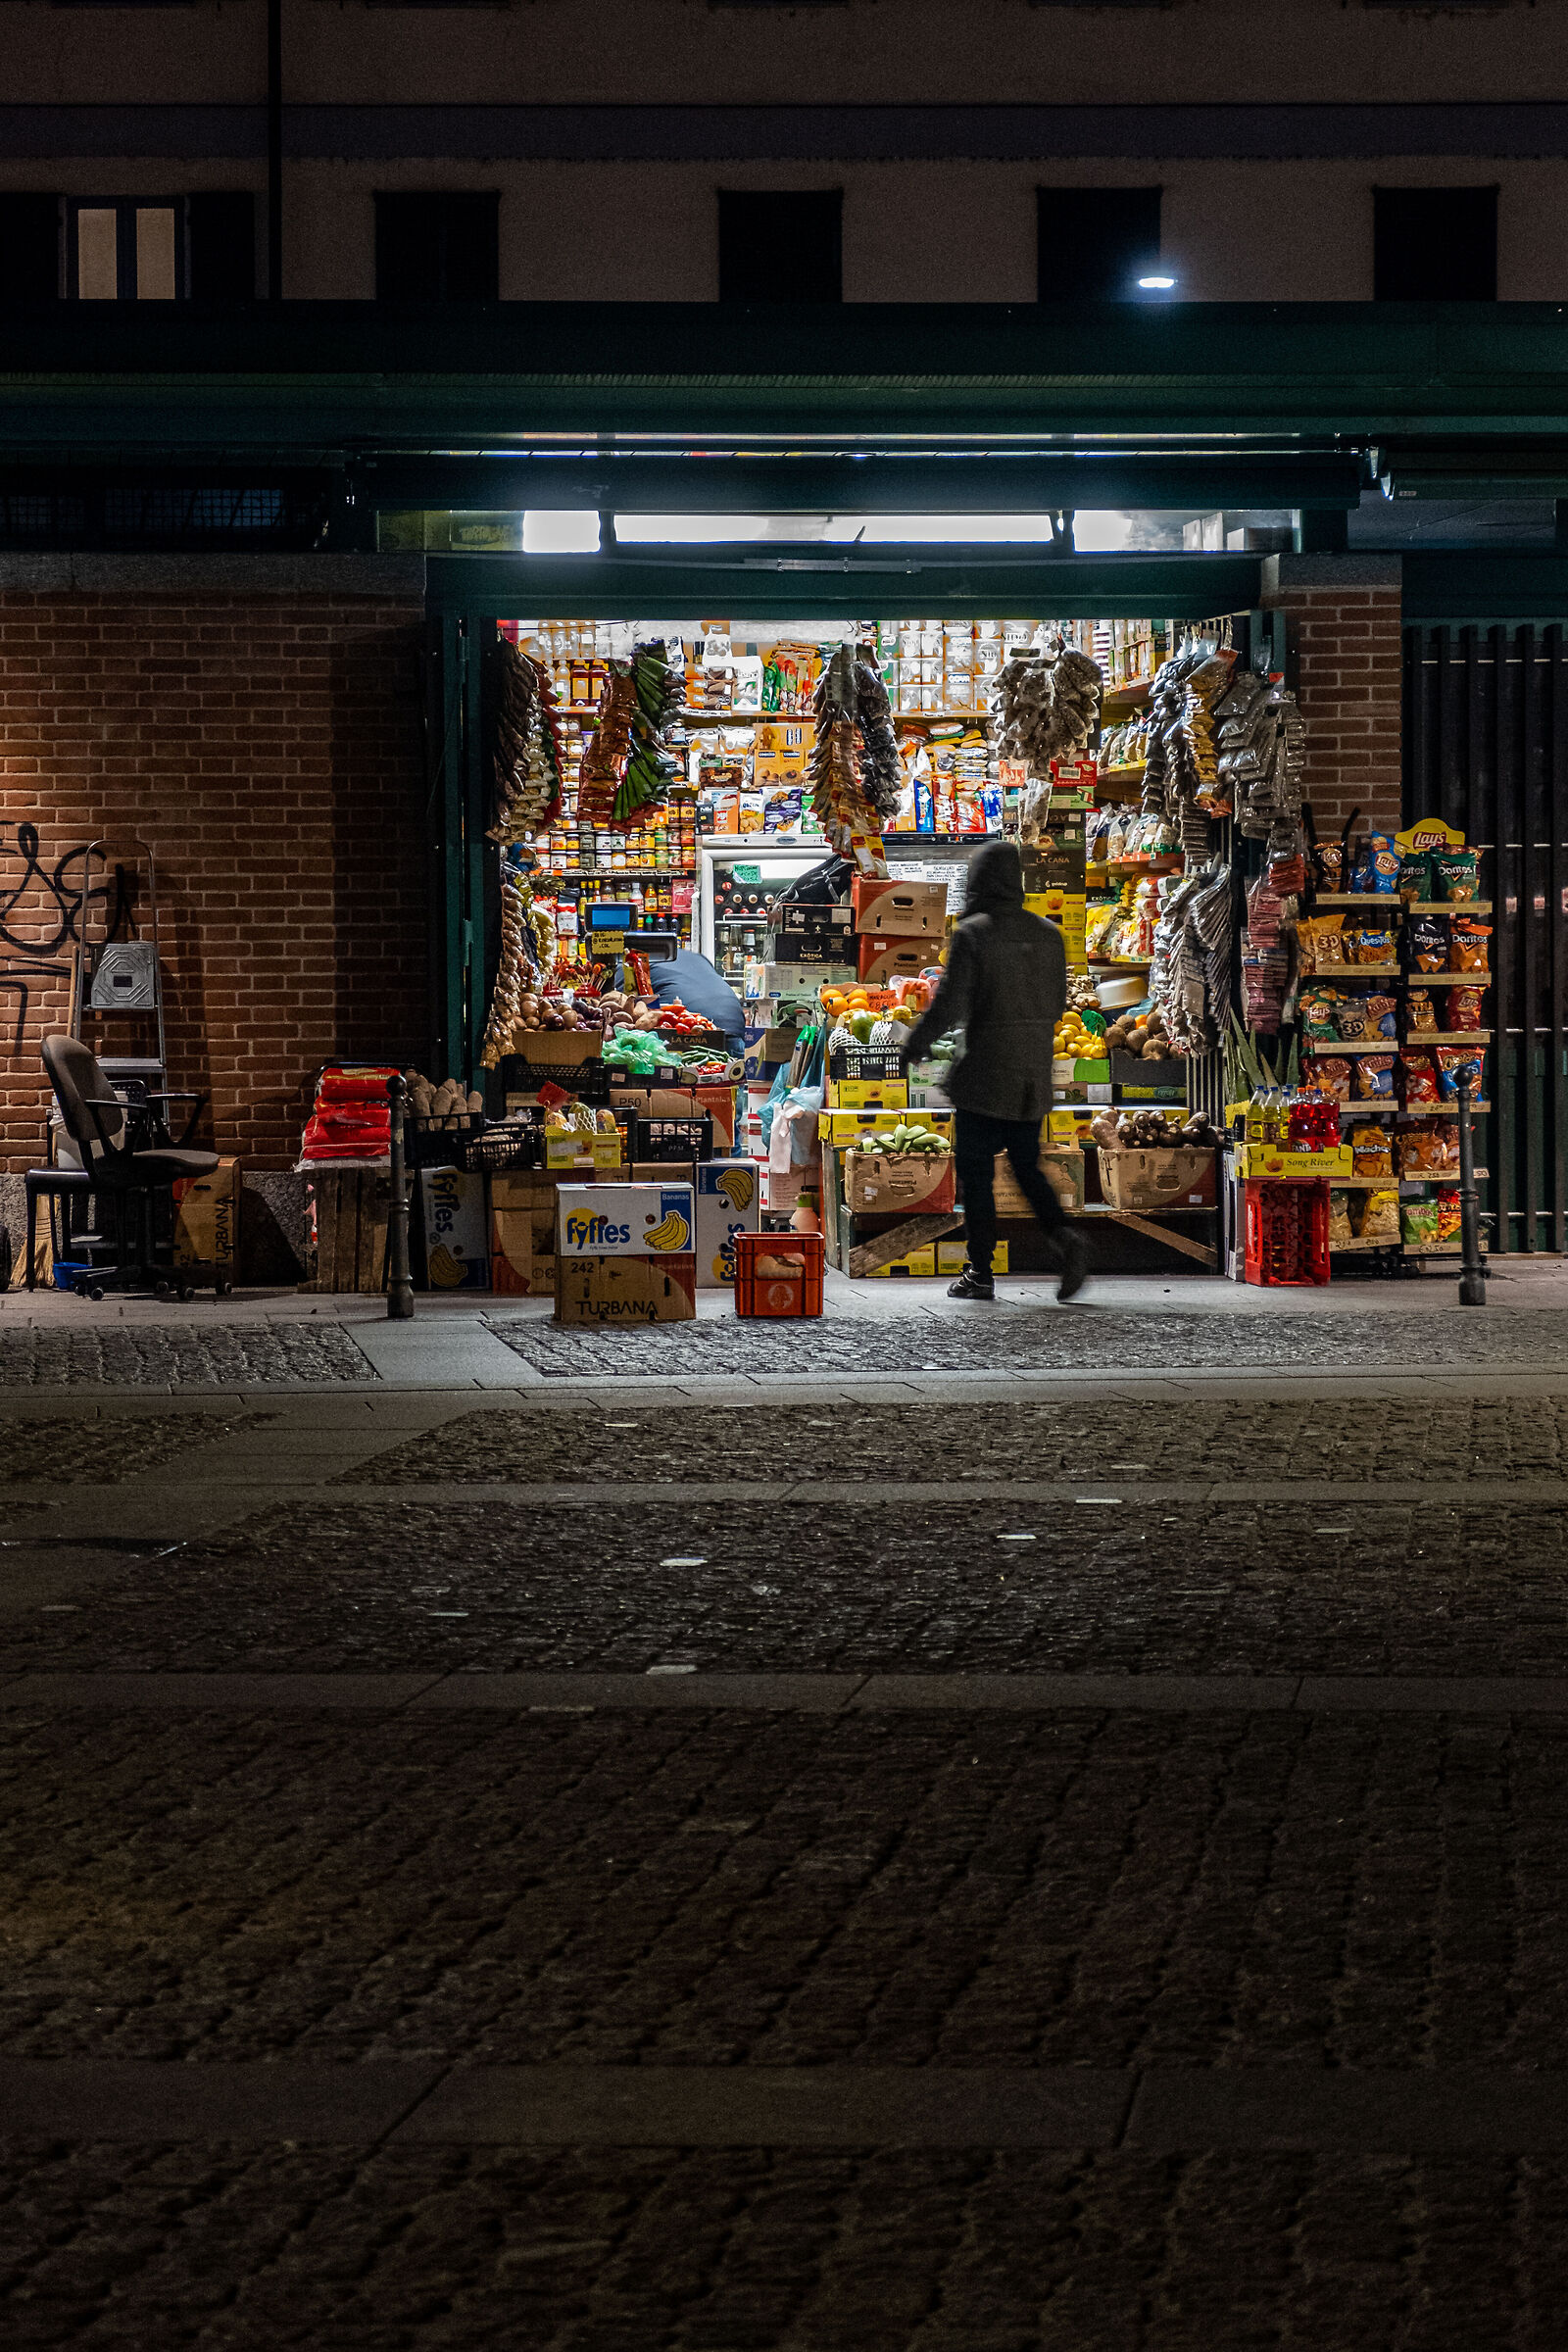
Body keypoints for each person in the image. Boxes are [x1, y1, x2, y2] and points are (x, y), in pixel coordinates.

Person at [899, 838, 1088, 1302]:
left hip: (985, 1073)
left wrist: (913, 1046)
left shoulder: (974, 933)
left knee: (977, 1174)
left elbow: (950, 1004)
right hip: (1031, 1073)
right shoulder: (1049, 934)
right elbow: (1057, 1002)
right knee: (1027, 1167)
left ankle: (980, 1272)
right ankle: (1065, 1238)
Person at [643, 945, 748, 1054]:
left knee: (686, 1068)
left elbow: (630, 1004)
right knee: (733, 1068)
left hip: (691, 1033)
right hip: (733, 1026)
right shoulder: (696, 957)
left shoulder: (635, 963)